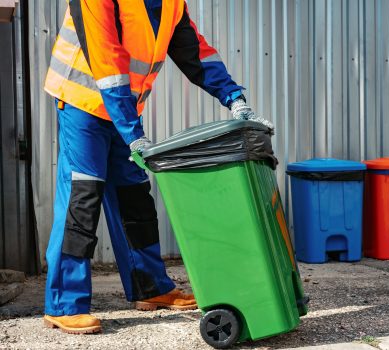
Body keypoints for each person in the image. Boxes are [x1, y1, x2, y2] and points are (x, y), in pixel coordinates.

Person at [42, 0, 273, 334]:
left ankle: (150, 287)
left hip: (122, 109)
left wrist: (234, 97)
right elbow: (107, 61)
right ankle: (64, 304)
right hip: (82, 102)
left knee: (134, 193)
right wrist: (134, 135)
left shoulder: (171, 3)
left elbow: (195, 52)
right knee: (84, 193)